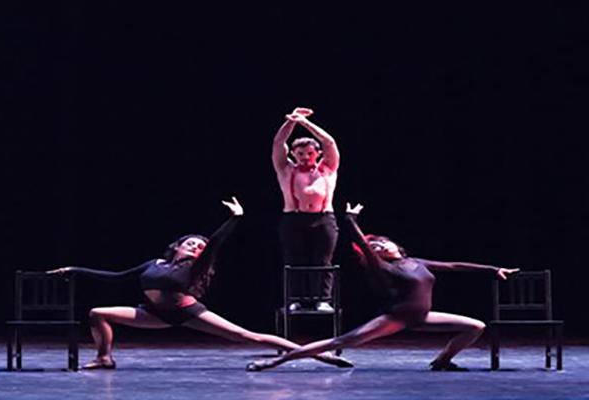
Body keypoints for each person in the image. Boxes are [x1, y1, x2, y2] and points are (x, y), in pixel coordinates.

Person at [48, 197, 352, 370]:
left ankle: (316, 353)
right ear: (177, 246)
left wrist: (235, 218)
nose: (196, 247)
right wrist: (75, 269)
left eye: (200, 246)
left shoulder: (197, 266)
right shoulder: (154, 264)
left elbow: (217, 242)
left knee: (247, 336)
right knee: (98, 313)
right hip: (153, 314)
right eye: (192, 243)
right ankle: (104, 358)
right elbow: (115, 277)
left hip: (188, 311)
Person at [246, 202, 519, 372]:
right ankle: (274, 362)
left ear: (395, 246)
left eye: (382, 242)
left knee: (476, 326)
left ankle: (443, 361)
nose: (379, 246)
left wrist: (493, 270)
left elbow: (455, 266)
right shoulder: (383, 267)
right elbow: (363, 244)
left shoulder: (416, 261)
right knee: (342, 341)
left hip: (422, 316)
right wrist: (351, 220)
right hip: (394, 318)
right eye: (375, 246)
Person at [272, 107, 340, 312]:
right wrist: (292, 121)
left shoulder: (327, 168)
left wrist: (305, 123)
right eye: (300, 153)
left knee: (323, 260)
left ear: (317, 154)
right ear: (293, 154)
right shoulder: (286, 169)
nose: (305, 157)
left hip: (323, 217)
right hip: (293, 218)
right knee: (294, 260)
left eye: (310, 153)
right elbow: (278, 143)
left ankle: (323, 300)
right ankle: (295, 300)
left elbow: (329, 143)